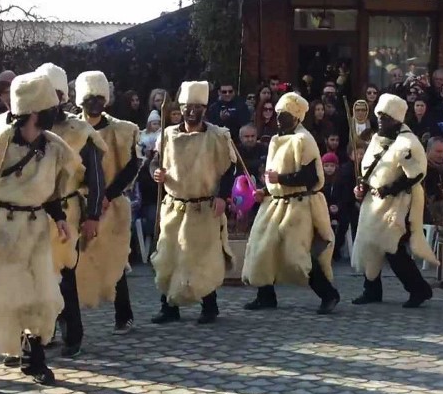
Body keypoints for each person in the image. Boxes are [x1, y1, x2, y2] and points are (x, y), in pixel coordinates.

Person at [0, 72, 80, 394]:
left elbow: (51, 191)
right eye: (52, 106)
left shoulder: (53, 146)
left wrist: (60, 218)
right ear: (37, 111)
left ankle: (33, 362)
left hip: (35, 231)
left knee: (41, 298)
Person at [242, 92, 341, 314]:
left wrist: (282, 180)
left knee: (298, 255)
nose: (278, 119)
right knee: (262, 248)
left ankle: (329, 294)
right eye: (277, 114)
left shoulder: (304, 140)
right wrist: (265, 190)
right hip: (275, 203)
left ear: (296, 117)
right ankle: (265, 295)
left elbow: (312, 178)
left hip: (299, 205)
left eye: (284, 115)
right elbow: (272, 175)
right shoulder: (277, 139)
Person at [33, 63, 107, 358]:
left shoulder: (79, 130)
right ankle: (41, 332)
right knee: (38, 274)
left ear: (63, 95)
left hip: (68, 211)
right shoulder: (30, 127)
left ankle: (72, 335)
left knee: (65, 275)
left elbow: (96, 178)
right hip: (34, 214)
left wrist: (92, 216)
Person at [150, 81, 236, 325]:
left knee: (202, 258)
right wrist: (155, 172)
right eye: (187, 107)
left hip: (204, 207)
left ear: (204, 109)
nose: (191, 111)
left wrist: (222, 196)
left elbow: (229, 169)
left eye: (196, 107)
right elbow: (155, 162)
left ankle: (209, 306)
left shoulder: (217, 136)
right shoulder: (167, 136)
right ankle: (169, 307)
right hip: (175, 206)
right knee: (169, 257)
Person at [351, 94, 438, 307]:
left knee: (393, 248)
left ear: (397, 120)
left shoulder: (408, 143)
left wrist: (389, 189)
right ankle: (371, 289)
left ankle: (419, 289)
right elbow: (369, 170)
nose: (381, 120)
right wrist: (362, 188)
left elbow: (416, 173)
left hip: (398, 203)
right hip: (373, 203)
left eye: (386, 117)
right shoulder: (376, 138)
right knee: (370, 245)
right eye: (379, 115)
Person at [73, 71, 139, 334]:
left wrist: (108, 196)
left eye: (99, 97)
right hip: (78, 203)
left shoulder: (122, 130)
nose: (95, 103)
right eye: (89, 98)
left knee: (116, 260)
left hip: (112, 206)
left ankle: (124, 315)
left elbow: (131, 166)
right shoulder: (70, 130)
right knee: (70, 262)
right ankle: (65, 323)